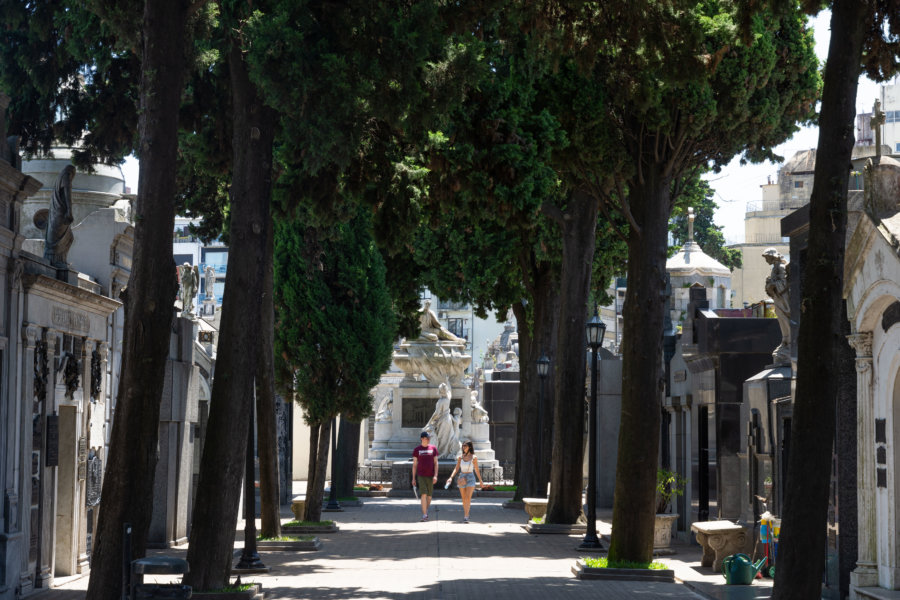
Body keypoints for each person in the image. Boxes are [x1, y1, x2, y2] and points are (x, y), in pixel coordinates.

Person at [445, 441, 484, 522]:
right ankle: (465, 514)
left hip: (470, 477)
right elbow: (456, 468)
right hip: (462, 477)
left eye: (465, 446)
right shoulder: (460, 457)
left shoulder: (474, 457)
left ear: (469, 447)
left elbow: (476, 470)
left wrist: (480, 481)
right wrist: (451, 477)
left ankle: (466, 515)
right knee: (463, 498)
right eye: (463, 446)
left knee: (468, 497)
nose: (464, 448)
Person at [412, 431, 438, 521]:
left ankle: (425, 511)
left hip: (431, 475)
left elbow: (436, 463)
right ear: (422, 439)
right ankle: (424, 515)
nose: (428, 439)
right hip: (421, 475)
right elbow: (414, 465)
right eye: (427, 438)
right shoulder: (417, 450)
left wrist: (436, 475)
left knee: (429, 496)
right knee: (423, 494)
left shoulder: (433, 448)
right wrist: (413, 478)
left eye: (429, 438)